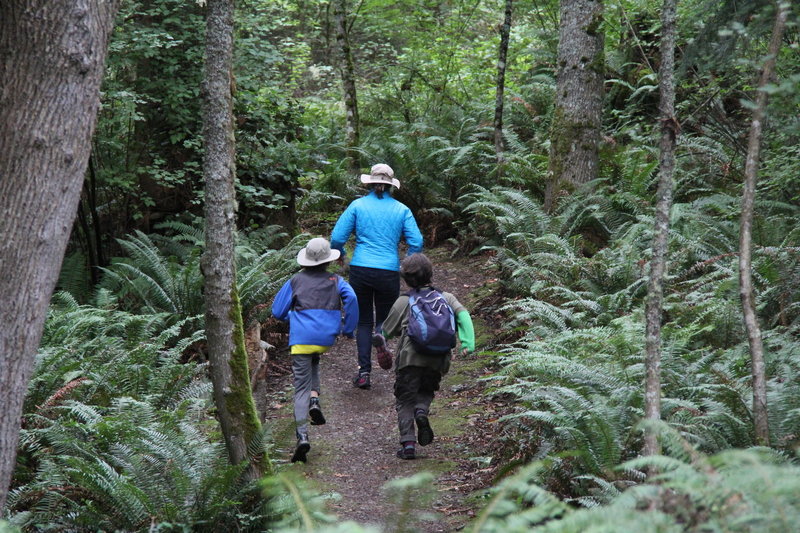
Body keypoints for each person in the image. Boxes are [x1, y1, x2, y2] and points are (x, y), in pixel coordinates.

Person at [330, 163, 424, 390]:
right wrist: (406, 264)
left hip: (361, 269)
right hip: (388, 270)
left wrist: (341, 254)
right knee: (384, 318)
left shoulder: (357, 205)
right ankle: (381, 336)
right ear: (391, 185)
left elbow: (336, 237)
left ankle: (364, 373)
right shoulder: (402, 210)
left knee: (363, 321)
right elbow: (417, 242)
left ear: (370, 183)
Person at [272, 237, 358, 463]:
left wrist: (294, 316)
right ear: (328, 261)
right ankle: (314, 400)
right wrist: (348, 329)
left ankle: (301, 436)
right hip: (325, 338)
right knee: (315, 361)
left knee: (300, 386)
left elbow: (278, 312)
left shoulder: (295, 280)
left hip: (301, 339)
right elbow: (353, 298)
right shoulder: (336, 280)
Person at [381, 253, 475, 460]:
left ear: (405, 279)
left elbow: (386, 331)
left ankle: (408, 445)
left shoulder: (404, 301)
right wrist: (468, 343)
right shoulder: (446, 297)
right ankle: (422, 411)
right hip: (439, 359)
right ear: (431, 274)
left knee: (405, 399)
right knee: (426, 391)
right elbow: (464, 315)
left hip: (410, 359)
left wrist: (382, 342)